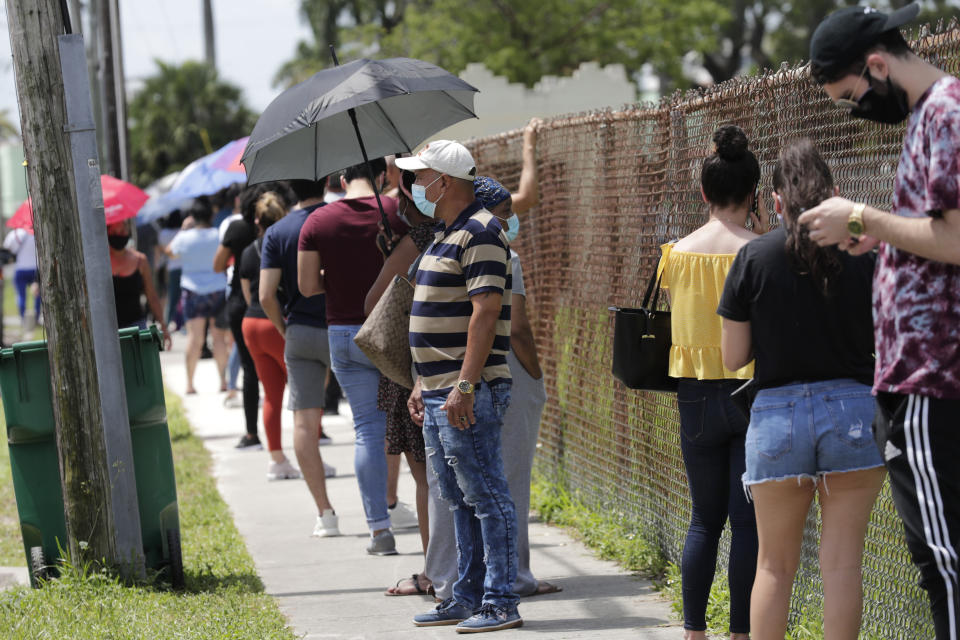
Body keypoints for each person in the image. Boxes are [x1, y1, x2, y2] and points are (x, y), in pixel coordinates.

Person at [799, 5, 960, 637]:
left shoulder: (945, 113)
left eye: (851, 95)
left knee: (944, 561)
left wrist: (862, 219)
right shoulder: (931, 114)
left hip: (933, 374)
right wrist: (886, 242)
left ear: (876, 64)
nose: (854, 109)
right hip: (924, 372)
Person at [719, 140, 885, 640]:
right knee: (841, 568)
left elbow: (733, 357)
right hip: (854, 411)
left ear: (774, 201)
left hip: (776, 416)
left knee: (773, 567)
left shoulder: (754, 256)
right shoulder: (864, 255)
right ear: (835, 194)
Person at [399, 141, 522, 633]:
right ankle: (467, 595)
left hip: (465, 390)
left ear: (443, 182)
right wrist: (419, 382)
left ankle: (501, 601)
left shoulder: (482, 231)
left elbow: (485, 311)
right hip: (437, 389)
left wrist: (466, 385)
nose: (415, 186)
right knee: (458, 495)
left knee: (487, 495)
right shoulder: (446, 232)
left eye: (420, 177)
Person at [657, 124, 761, 640]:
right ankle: (741, 632)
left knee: (704, 520)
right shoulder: (763, 253)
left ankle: (694, 630)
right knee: (747, 524)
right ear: (754, 192)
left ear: (704, 192)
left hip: (695, 393)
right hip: (751, 393)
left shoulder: (675, 253)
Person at [297, 158, 406, 556]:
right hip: (393, 328)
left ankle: (379, 530)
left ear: (341, 179)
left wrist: (339, 276)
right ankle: (438, 527)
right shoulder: (398, 213)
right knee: (411, 428)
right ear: (382, 176)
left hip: (344, 332)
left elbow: (308, 286)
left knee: (368, 431)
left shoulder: (318, 222)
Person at [365, 170, 437, 593]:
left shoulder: (420, 239)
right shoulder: (461, 234)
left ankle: (434, 569)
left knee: (427, 479)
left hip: (412, 369)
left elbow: (373, 301)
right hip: (456, 368)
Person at [259, 177, 339, 537]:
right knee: (373, 421)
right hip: (346, 326)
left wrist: (284, 329)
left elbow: (265, 295)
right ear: (325, 181)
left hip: (301, 332)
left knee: (304, 424)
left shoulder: (277, 232)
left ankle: (325, 513)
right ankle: (384, 510)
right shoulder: (338, 216)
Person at [240, 190, 300, 480]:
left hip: (250, 324)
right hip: (275, 323)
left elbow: (246, 292)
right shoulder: (284, 244)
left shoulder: (249, 251)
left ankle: (276, 459)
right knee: (303, 391)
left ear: (256, 220)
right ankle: (309, 452)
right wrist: (283, 328)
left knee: (271, 395)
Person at [214, 184, 261, 449]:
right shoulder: (272, 227)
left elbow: (217, 264)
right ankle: (316, 428)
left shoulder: (235, 229)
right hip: (273, 300)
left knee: (249, 368)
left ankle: (252, 433)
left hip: (239, 303)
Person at [166, 200, 229, 395]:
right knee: (219, 338)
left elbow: (170, 252)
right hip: (218, 288)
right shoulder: (217, 234)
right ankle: (223, 381)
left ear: (192, 217)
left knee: (195, 338)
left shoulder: (185, 238)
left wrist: (184, 230)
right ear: (211, 215)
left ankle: (190, 384)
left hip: (192, 290)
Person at [107, 220, 172, 349]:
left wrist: (163, 326)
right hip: (109, 329)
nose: (119, 234)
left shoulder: (140, 260)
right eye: (114, 232)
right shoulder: (101, 262)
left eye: (122, 231)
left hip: (136, 326)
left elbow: (151, 295)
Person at [3, 228, 40, 327]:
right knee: (37, 294)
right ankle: (36, 318)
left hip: (20, 269)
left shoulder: (13, 234)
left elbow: (6, 250)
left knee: (21, 295)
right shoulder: (36, 233)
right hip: (34, 269)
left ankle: (23, 319)